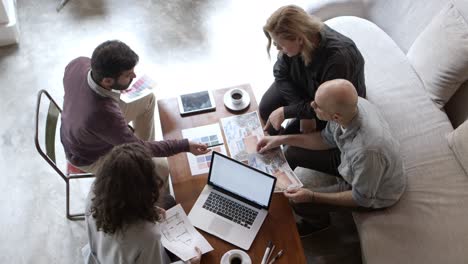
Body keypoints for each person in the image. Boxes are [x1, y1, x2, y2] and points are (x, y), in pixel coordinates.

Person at [256, 79, 406, 236]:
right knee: (291, 151)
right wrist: (280, 140)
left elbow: (362, 198)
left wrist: (312, 196)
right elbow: (324, 139)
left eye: (318, 106)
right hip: (350, 161)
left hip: (374, 190)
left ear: (335, 117)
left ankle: (318, 223)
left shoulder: (367, 151)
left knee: (301, 203)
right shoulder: (353, 106)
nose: (312, 106)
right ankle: (274, 189)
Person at [60, 40, 209, 180]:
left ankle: (143, 154)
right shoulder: (102, 113)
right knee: (161, 169)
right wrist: (186, 145)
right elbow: (104, 118)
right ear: (107, 81)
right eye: (127, 75)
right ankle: (150, 201)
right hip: (90, 157)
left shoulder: (78, 63)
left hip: (80, 131)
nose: (134, 76)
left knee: (148, 99)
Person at [82, 143, 202, 264]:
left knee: (168, 200)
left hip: (102, 256)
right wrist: (189, 263)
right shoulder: (147, 236)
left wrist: (149, 210)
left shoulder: (95, 191)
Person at [260, 5, 366, 135]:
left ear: (299, 39)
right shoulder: (296, 45)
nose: (277, 49)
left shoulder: (339, 59)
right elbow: (280, 74)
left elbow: (327, 106)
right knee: (265, 109)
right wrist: (303, 113)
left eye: (280, 45)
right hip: (307, 88)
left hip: (331, 104)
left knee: (290, 138)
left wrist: (289, 111)